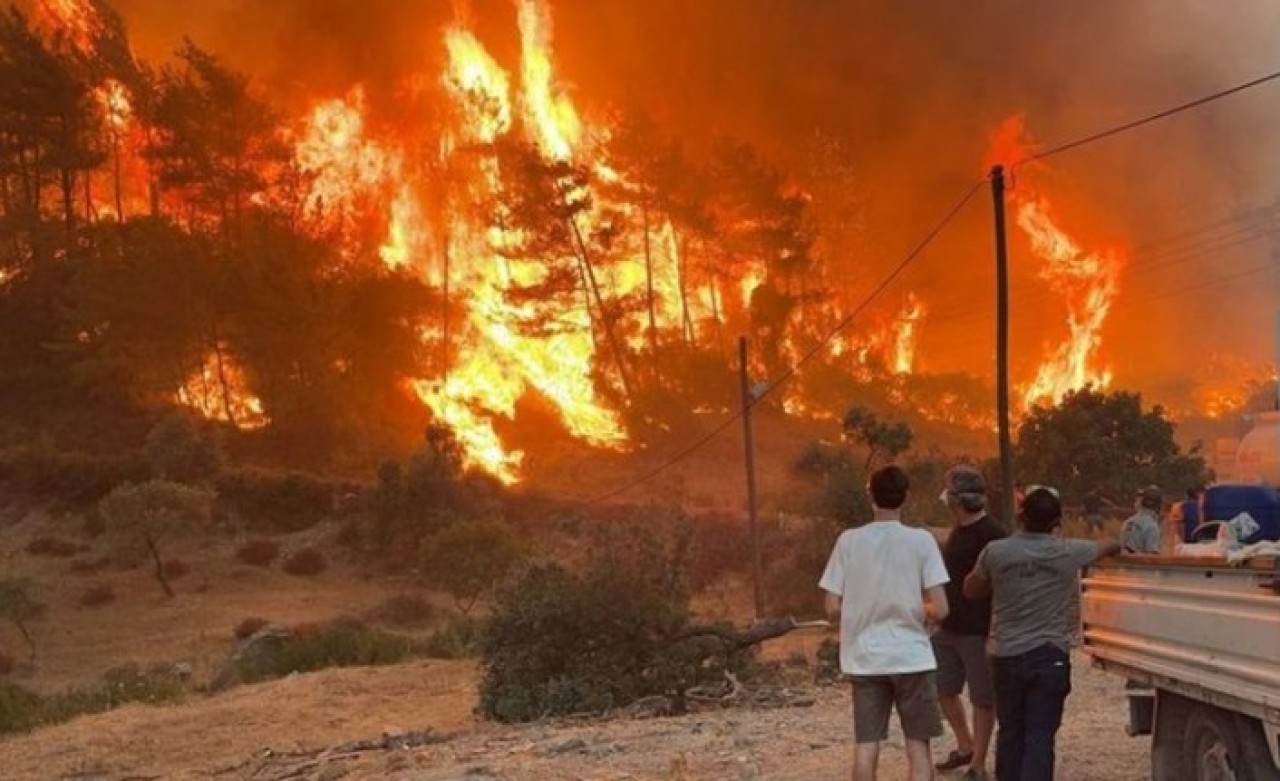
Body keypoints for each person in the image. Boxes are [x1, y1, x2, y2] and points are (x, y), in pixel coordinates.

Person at [963, 487, 1121, 781]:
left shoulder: (996, 552)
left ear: (1020, 517)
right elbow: (1108, 544)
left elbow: (970, 589)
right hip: (1050, 656)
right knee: (1040, 736)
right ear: (1056, 523)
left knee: (1010, 730)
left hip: (1006, 653)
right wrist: (1119, 546)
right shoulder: (1067, 551)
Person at [820, 464, 951, 781]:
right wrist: (922, 611)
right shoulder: (922, 541)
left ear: (870, 495)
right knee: (918, 746)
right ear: (906, 497)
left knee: (866, 746)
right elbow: (942, 608)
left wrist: (854, 611)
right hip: (912, 657)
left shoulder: (848, 541)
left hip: (864, 660)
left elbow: (831, 607)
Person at [933, 466, 1006, 780]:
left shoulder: (993, 534)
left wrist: (993, 630)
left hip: (977, 631)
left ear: (957, 498)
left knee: (982, 698)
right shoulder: (958, 529)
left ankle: (978, 763)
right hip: (949, 627)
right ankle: (965, 744)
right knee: (943, 688)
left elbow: (1001, 586)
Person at [1120, 485, 1163, 553]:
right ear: (1158, 505)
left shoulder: (1127, 522)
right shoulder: (1152, 527)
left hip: (1123, 562)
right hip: (1138, 563)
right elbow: (1152, 557)